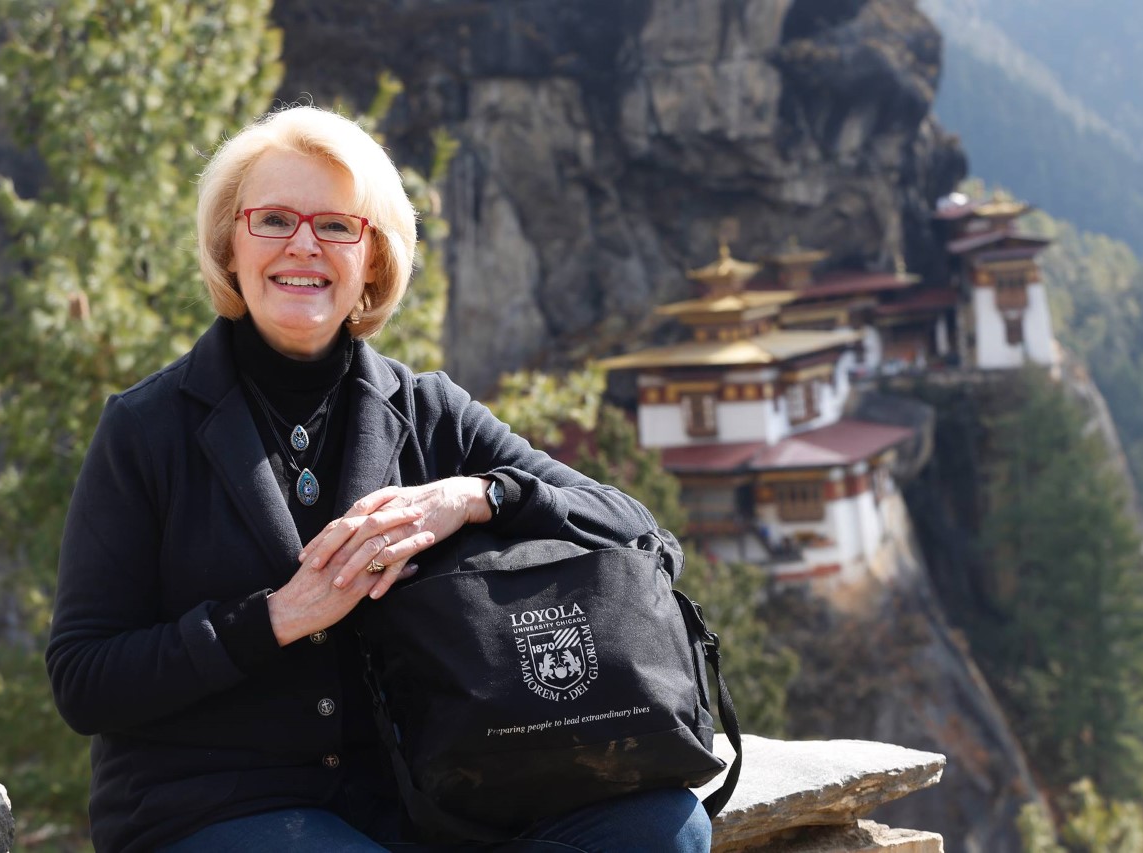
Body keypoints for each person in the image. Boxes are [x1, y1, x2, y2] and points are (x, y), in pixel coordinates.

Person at [45, 105, 712, 853]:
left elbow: (641, 534)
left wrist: (476, 496)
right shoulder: (145, 428)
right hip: (216, 808)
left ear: (373, 259)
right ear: (230, 245)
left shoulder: (432, 412)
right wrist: (277, 616)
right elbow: (84, 676)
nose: (304, 243)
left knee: (664, 825)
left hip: (431, 800)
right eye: (273, 219)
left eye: (336, 226)